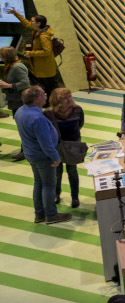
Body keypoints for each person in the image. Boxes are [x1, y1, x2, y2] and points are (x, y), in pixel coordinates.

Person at [17, 86, 69, 224]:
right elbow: (45, 143)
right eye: (43, 94)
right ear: (36, 99)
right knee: (48, 186)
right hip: (43, 156)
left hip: (31, 154)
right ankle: (51, 215)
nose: (46, 96)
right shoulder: (37, 118)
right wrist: (55, 157)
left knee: (38, 183)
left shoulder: (21, 111)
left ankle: (39, 214)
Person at [44, 87, 84, 209]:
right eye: (65, 98)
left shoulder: (78, 109)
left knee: (72, 172)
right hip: (56, 147)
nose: (69, 100)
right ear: (57, 101)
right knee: (57, 173)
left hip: (73, 146)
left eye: (69, 96)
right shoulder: (48, 113)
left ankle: (75, 197)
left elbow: (80, 124)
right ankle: (56, 194)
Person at [10, 10, 64, 93]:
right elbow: (27, 24)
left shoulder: (43, 36)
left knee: (48, 86)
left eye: (32, 21)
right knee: (45, 86)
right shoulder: (37, 30)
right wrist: (16, 13)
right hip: (41, 64)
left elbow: (47, 51)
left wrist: (31, 53)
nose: (30, 22)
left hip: (45, 66)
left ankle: (50, 102)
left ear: (38, 23)